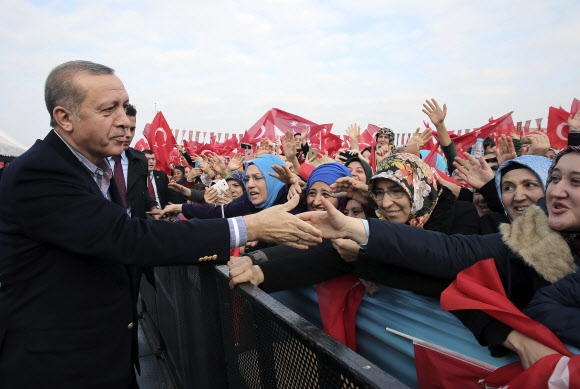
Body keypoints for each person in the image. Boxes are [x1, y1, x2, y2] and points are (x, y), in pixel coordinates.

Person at [0, 60, 322, 389]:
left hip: (103, 357)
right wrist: (251, 227)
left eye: (125, 107)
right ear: (64, 117)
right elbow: (128, 238)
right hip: (57, 368)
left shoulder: (95, 168)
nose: (124, 121)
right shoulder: (40, 173)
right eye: (109, 109)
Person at [292, 148, 580, 369]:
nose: (558, 190)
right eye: (555, 178)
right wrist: (355, 228)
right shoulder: (526, 237)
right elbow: (450, 258)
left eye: (575, 181)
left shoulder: (466, 217)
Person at [107, 104, 158, 218]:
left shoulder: (140, 160)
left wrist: (154, 208)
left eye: (132, 129)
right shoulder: (94, 159)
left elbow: (142, 192)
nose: (128, 135)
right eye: (123, 128)